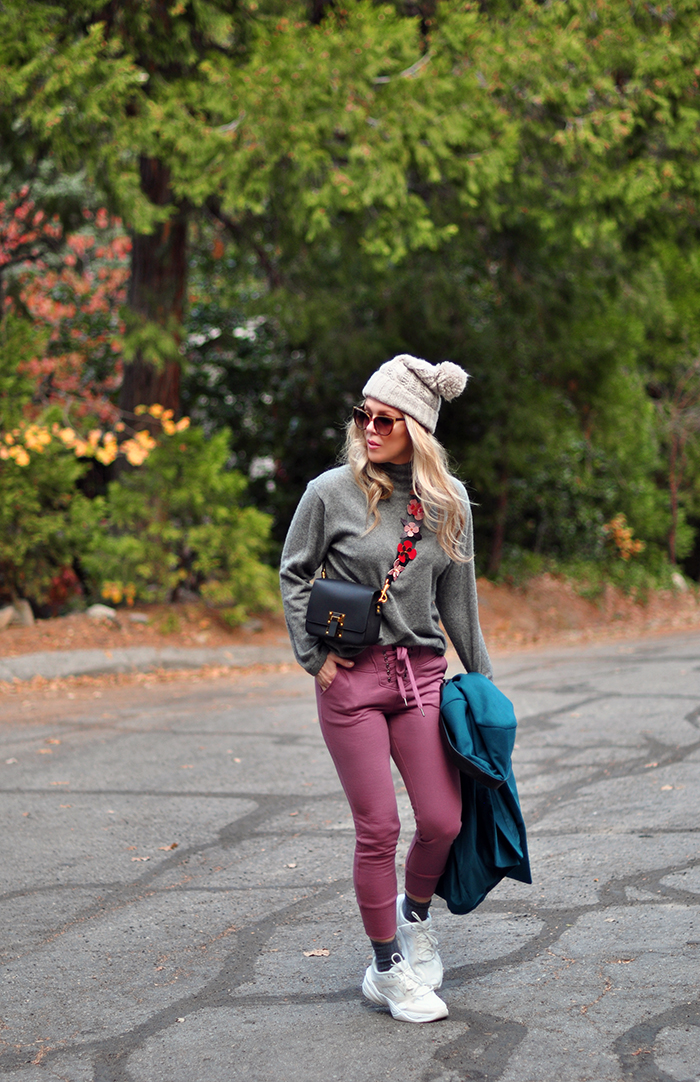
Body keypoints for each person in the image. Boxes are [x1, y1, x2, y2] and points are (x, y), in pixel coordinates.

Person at [279, 354, 492, 1023]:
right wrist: (313, 654)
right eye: (362, 415)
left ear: (417, 430)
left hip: (421, 675)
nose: (369, 428)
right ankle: (387, 968)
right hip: (351, 678)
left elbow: (459, 600)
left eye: (386, 420)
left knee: (442, 820)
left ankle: (416, 917)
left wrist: (483, 683)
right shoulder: (328, 493)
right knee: (379, 828)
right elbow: (294, 571)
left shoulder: (447, 503)